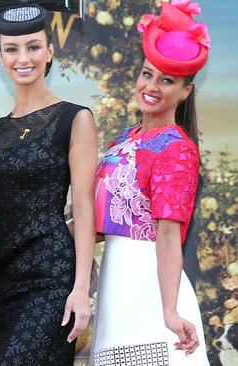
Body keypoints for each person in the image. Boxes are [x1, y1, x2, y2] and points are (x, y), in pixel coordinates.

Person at [0, 5, 98, 364]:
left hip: (51, 277)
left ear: (50, 51)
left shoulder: (74, 118)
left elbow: (84, 207)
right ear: (0, 56)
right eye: (12, 49)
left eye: (33, 46)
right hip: (3, 279)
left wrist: (80, 289)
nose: (23, 58)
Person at [91, 2, 210, 364]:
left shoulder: (177, 149)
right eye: (147, 74)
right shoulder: (124, 140)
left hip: (150, 288)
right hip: (115, 283)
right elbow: (100, 221)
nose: (151, 86)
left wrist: (170, 310)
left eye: (167, 80)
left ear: (185, 91)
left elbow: (169, 234)